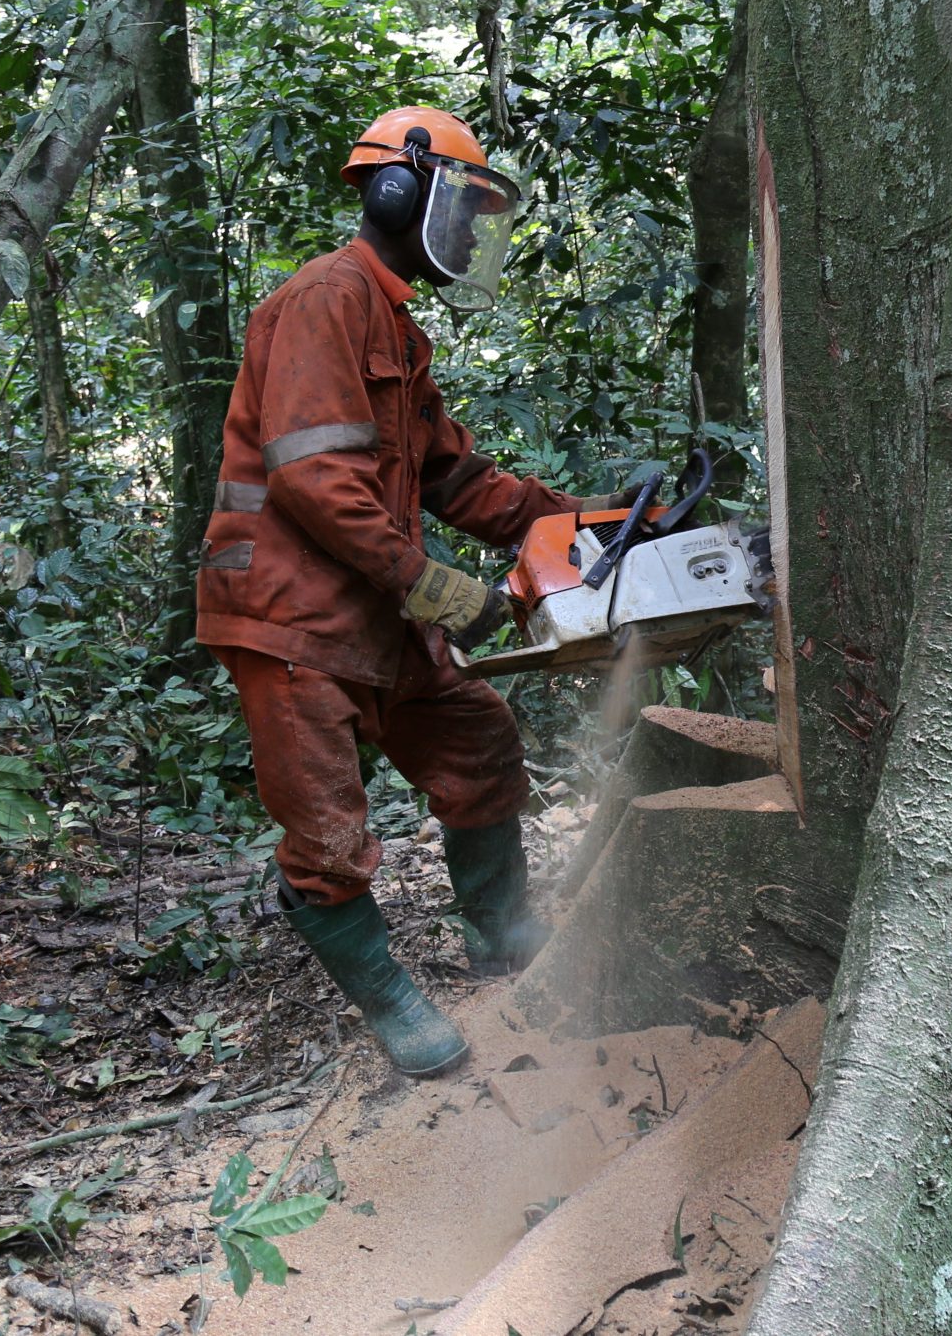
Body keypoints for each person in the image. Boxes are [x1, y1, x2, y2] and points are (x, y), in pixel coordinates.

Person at [194, 106, 635, 1079]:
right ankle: (391, 1000)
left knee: (474, 738)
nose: (474, 231)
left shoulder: (394, 323)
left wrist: (584, 519)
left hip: (375, 610)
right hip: (290, 614)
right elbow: (314, 482)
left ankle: (500, 928)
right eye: (465, 206)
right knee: (326, 831)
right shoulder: (325, 301)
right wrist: (438, 591)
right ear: (402, 191)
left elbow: (453, 482)